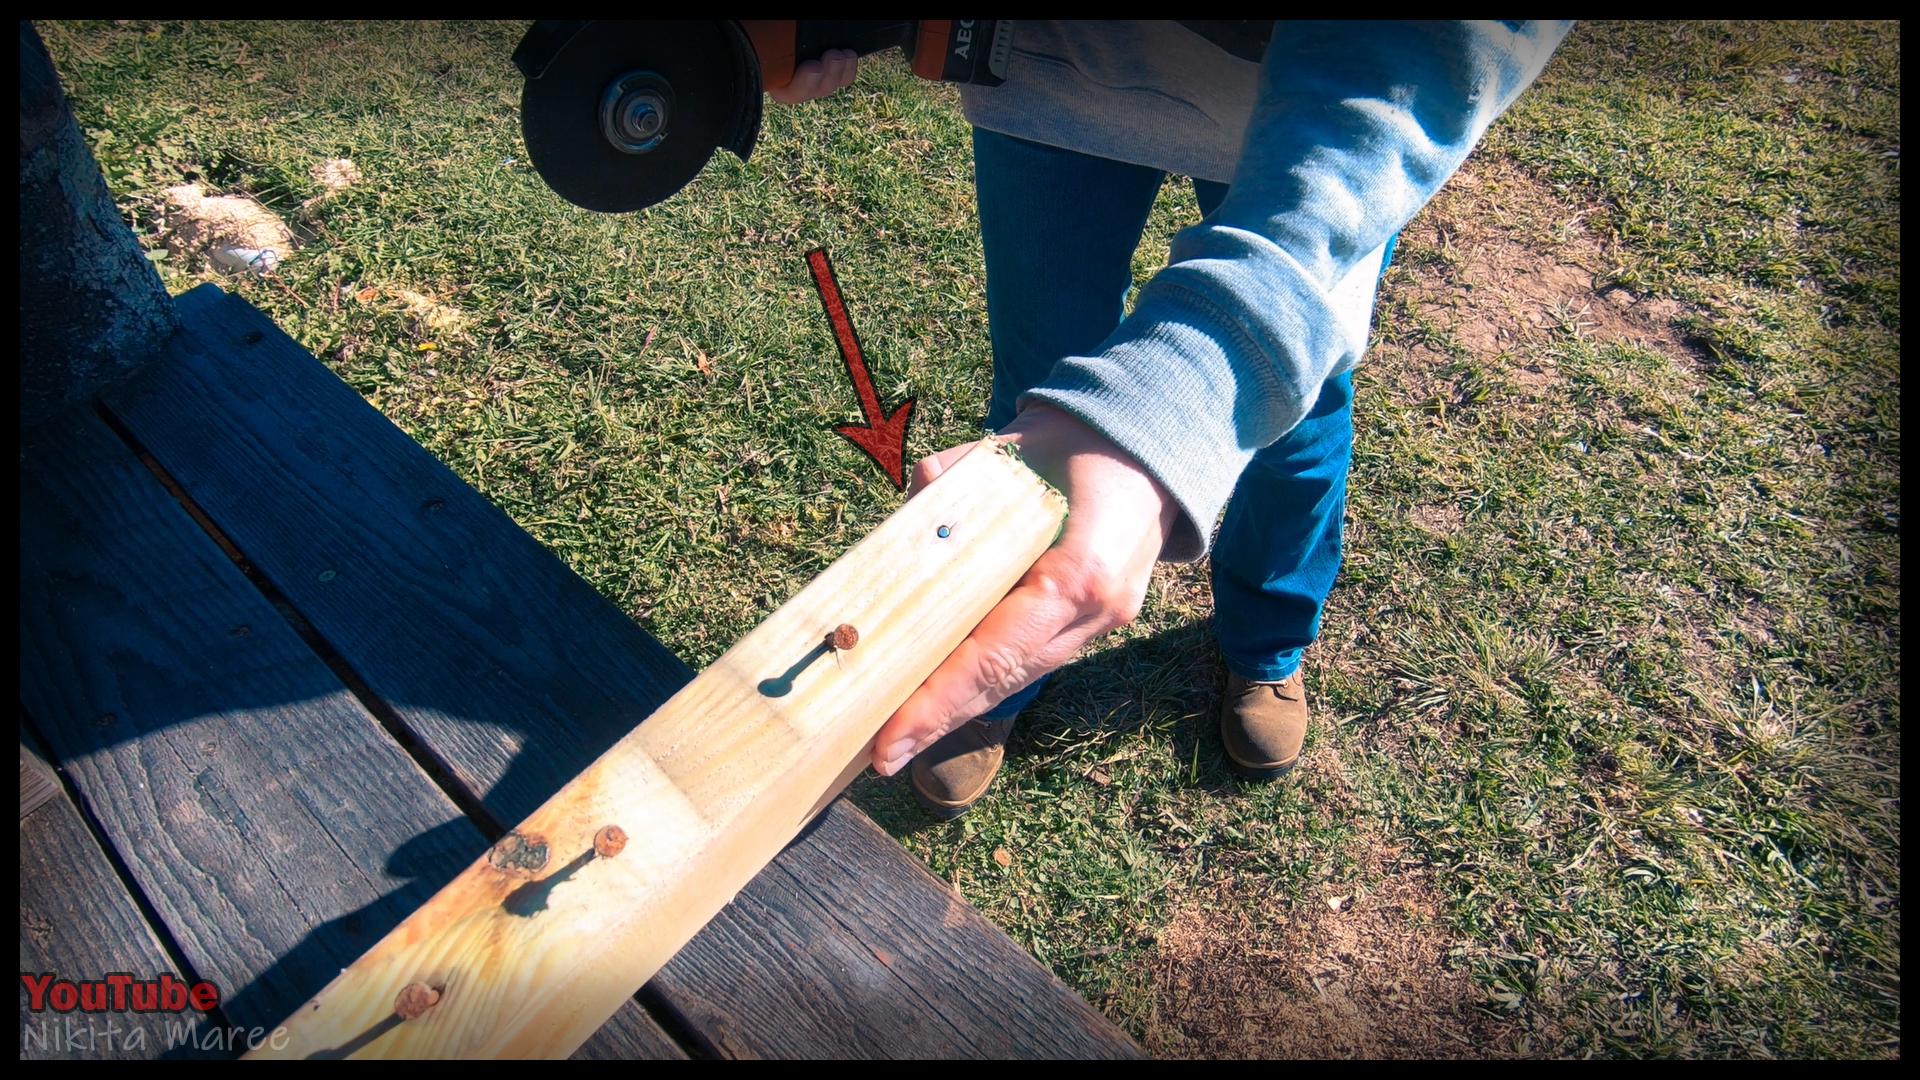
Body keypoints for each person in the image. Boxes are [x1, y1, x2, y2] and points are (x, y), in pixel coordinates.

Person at [773, 21, 1574, 818]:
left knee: (1296, 419)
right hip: (1045, 72)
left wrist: (1208, 367)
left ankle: (1267, 641)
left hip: (1321, 110)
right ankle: (1008, 671)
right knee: (1041, 398)